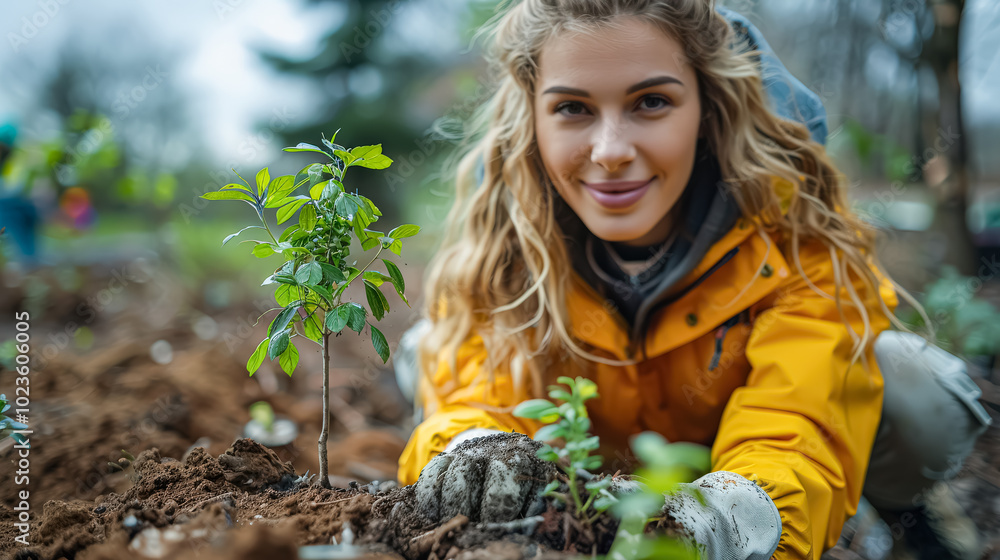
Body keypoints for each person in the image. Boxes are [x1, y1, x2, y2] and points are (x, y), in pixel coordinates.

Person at [392, 1, 991, 558]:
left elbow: (797, 418)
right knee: (429, 351)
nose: (610, 151)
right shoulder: (505, 248)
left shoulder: (794, 236)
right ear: (533, 118)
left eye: (651, 101)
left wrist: (733, 515)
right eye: (572, 108)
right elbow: (477, 396)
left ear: (708, 106)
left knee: (911, 387)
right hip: (581, 460)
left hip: (741, 460)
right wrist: (477, 454)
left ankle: (896, 509)